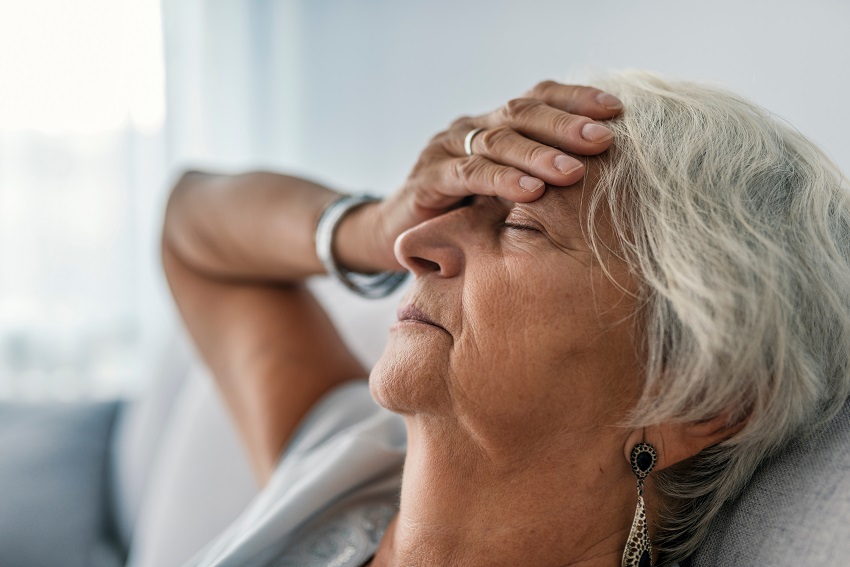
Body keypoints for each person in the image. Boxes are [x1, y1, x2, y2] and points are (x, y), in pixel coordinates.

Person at [161, 71, 850, 567]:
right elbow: (188, 227)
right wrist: (366, 225)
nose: (413, 247)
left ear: (702, 395)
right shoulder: (342, 470)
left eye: (521, 223)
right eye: (456, 206)